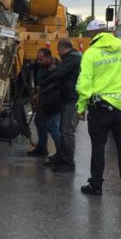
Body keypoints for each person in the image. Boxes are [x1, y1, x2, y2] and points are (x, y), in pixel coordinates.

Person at [76, 19, 121, 197]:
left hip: (100, 107)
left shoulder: (91, 53)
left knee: (98, 147)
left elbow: (85, 83)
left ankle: (96, 185)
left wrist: (81, 107)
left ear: (92, 35)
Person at [38, 38, 82, 172]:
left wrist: (44, 83)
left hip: (72, 99)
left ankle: (68, 163)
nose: (58, 53)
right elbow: (59, 80)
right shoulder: (71, 58)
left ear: (62, 48)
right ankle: (61, 157)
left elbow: (59, 74)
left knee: (67, 132)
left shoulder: (73, 58)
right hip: (67, 98)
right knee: (63, 130)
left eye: (58, 50)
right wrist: (43, 91)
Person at [26, 48, 58, 158]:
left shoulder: (54, 69)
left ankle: (61, 153)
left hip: (52, 101)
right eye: (37, 59)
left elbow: (50, 87)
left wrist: (38, 96)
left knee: (52, 126)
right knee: (39, 121)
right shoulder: (42, 66)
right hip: (43, 99)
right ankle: (42, 148)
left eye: (41, 60)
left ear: (49, 58)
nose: (38, 62)